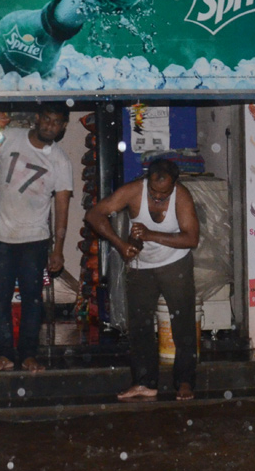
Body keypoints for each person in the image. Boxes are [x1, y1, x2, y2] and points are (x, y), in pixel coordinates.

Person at [84, 159, 200, 401]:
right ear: (147, 181)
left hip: (175, 263)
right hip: (141, 267)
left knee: (183, 322)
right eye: (154, 192)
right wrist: (120, 245)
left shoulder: (182, 196)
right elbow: (94, 215)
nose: (157, 198)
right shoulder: (134, 190)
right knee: (139, 325)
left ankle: (185, 381)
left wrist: (151, 235)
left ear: (174, 185)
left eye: (164, 194)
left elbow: (191, 239)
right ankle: (144, 382)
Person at [0, 103, 73, 372]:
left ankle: (29, 354)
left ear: (63, 127)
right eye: (46, 119)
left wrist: (59, 249)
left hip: (34, 240)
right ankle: (5, 355)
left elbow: (63, 207)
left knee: (33, 300)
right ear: (37, 118)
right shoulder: (11, 135)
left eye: (56, 122)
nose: (49, 126)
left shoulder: (60, 161)